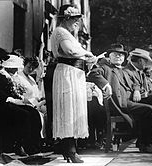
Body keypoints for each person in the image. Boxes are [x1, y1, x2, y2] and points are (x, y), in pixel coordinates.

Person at [88, 43, 152, 153]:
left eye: (121, 55)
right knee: (149, 110)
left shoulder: (123, 70)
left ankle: (148, 140)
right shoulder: (105, 68)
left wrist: (135, 89)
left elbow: (134, 82)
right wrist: (106, 85)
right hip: (118, 104)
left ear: (124, 58)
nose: (118, 57)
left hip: (128, 101)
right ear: (109, 56)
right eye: (115, 54)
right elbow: (92, 74)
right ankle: (145, 144)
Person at [50, 4, 97, 163]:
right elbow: (70, 51)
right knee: (68, 109)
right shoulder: (60, 31)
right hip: (67, 74)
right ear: (67, 18)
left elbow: (75, 53)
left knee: (74, 109)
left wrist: (88, 61)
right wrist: (87, 53)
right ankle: (69, 149)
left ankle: (69, 148)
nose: (77, 22)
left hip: (75, 73)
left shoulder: (70, 34)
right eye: (75, 19)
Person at [0, 48, 42, 157]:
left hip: (8, 102)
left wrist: (23, 99)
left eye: (3, 60)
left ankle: (33, 146)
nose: (1, 62)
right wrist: (11, 99)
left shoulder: (3, 73)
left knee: (33, 112)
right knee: (24, 115)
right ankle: (18, 145)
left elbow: (13, 91)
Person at [124, 48, 152, 145]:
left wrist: (146, 91)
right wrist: (136, 89)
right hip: (131, 100)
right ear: (140, 61)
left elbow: (144, 88)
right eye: (146, 62)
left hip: (139, 98)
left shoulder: (139, 71)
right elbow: (131, 84)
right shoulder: (127, 70)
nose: (146, 65)